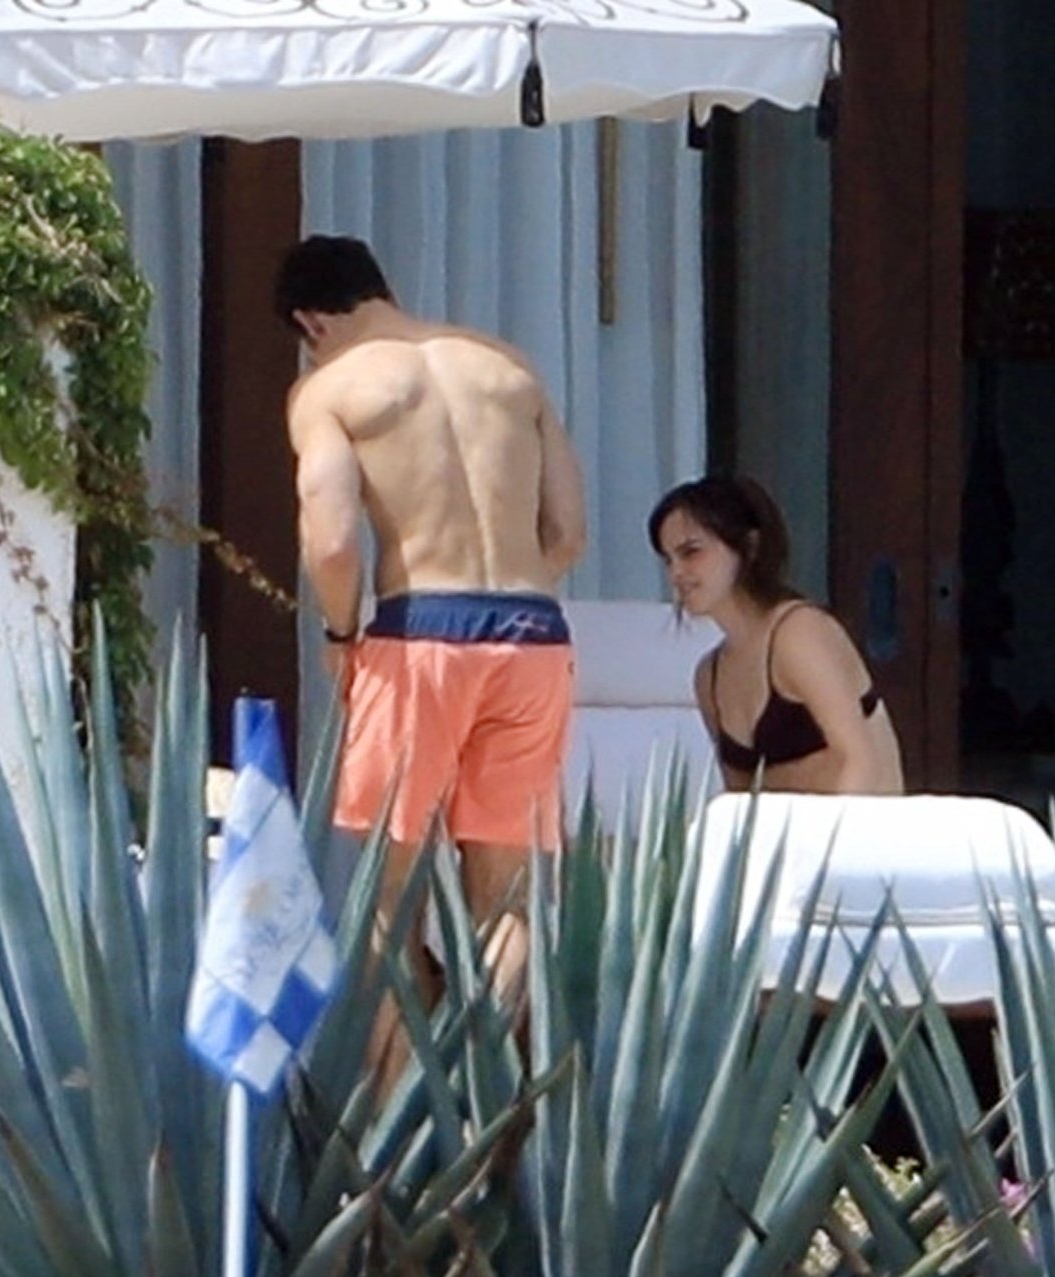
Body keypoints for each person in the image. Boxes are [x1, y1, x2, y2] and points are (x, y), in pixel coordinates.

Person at [276, 234, 586, 1071]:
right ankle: (491, 1108)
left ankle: (395, 1120)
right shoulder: (507, 368)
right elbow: (566, 532)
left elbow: (331, 541)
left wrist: (341, 633)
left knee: (389, 898)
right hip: (532, 633)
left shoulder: (328, 388)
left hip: (419, 632)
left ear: (311, 323)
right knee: (509, 902)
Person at [647, 475, 904, 795]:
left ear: (749, 546)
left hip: (862, 822)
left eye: (691, 552)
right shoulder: (709, 678)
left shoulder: (798, 633)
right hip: (782, 828)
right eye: (668, 560)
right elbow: (740, 797)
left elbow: (860, 761)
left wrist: (834, 830)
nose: (676, 573)